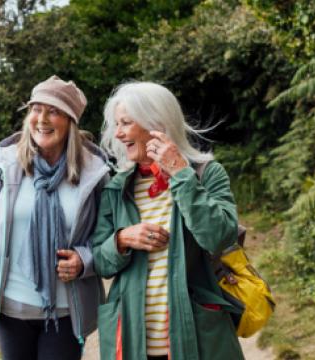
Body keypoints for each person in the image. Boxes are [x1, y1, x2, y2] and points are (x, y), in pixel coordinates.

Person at [0, 75, 110, 360]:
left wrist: (84, 260)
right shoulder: (6, 162)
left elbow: (107, 235)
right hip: (10, 308)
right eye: (36, 108)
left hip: (66, 312)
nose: (41, 118)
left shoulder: (94, 173)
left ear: (71, 120)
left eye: (54, 110)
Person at [93, 81, 245, 360]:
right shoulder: (116, 188)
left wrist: (180, 173)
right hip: (131, 341)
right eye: (117, 123)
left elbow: (220, 237)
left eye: (126, 122)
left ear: (156, 124)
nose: (118, 132)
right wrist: (122, 239)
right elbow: (101, 263)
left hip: (195, 337)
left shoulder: (206, 174)